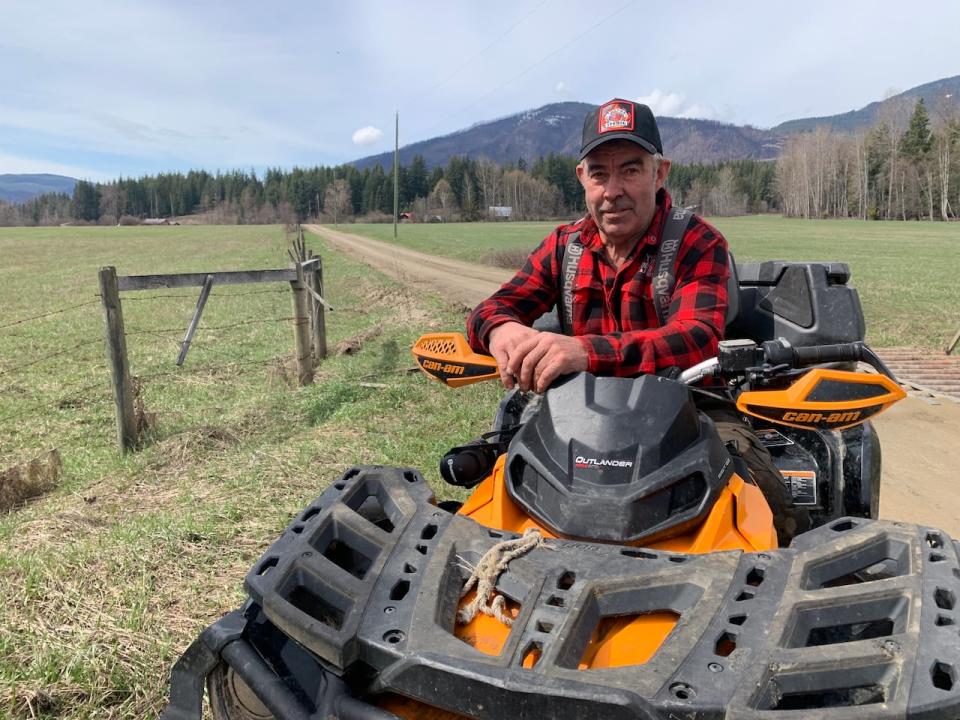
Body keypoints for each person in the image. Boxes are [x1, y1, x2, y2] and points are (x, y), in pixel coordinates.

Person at [466, 98, 807, 545]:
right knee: (499, 496)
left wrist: (586, 353)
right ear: (582, 179)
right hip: (574, 412)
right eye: (600, 173)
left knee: (763, 502)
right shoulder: (564, 247)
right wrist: (501, 329)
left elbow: (697, 337)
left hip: (692, 408)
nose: (613, 190)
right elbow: (491, 310)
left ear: (659, 172)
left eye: (630, 170)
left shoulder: (697, 243)